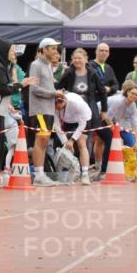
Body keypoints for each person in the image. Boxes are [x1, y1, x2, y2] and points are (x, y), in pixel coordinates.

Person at [0, 40, 37, 188]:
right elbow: (4, 90)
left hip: (0, 110)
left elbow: (5, 90)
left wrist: (9, 105)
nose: (14, 53)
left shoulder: (1, 66)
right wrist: (21, 84)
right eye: (11, 50)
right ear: (3, 51)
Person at [57, 47, 111, 176]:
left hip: (88, 111)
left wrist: (104, 110)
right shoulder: (69, 73)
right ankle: (73, 170)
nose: (77, 60)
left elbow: (102, 91)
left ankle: (88, 171)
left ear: (86, 59)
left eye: (80, 58)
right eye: (75, 58)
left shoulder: (92, 73)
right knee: (72, 141)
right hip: (71, 111)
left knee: (84, 140)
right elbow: (58, 87)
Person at [28, 38, 61, 186]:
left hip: (48, 109)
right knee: (41, 141)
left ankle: (40, 174)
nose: (55, 51)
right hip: (39, 110)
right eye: (52, 48)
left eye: (56, 48)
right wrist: (54, 94)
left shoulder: (48, 65)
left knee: (45, 141)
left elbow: (47, 88)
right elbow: (34, 89)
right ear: (44, 49)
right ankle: (38, 175)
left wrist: (56, 96)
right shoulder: (36, 65)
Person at [89, 42, 119, 173]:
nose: (104, 53)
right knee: (85, 139)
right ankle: (84, 168)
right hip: (90, 107)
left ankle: (103, 168)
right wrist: (101, 89)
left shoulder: (108, 68)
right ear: (96, 51)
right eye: (101, 50)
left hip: (104, 108)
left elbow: (116, 86)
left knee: (105, 139)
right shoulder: (89, 65)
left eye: (106, 51)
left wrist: (108, 89)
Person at [54, 91, 93, 185]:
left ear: (64, 100)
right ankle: (68, 174)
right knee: (66, 146)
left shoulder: (76, 104)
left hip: (83, 119)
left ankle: (85, 174)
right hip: (67, 120)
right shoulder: (53, 106)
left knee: (81, 143)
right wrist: (65, 142)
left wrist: (72, 140)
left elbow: (82, 124)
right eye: (55, 104)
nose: (57, 106)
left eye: (60, 103)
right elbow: (57, 126)